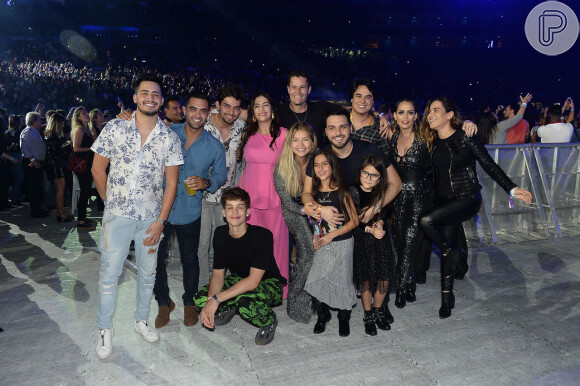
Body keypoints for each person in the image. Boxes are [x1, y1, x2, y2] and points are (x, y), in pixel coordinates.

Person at [91, 73, 183, 360]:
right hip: (116, 217)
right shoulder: (115, 128)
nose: (150, 98)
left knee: (148, 274)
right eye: (145, 93)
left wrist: (161, 221)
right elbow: (97, 169)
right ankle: (105, 330)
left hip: (150, 220)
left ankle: (141, 320)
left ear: (162, 101)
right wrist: (109, 203)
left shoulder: (169, 138)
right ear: (135, 97)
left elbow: (171, 184)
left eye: (156, 94)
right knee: (109, 275)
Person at [419, 96, 533, 319]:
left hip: (467, 198)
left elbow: (489, 165)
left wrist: (512, 189)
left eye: (435, 110)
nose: (429, 115)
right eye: (428, 111)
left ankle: (450, 253)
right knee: (448, 246)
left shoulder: (466, 137)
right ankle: (446, 297)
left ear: (450, 114)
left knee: (427, 221)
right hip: (444, 202)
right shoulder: (430, 141)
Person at [153, 92, 226, 329]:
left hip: (190, 211)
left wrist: (206, 183)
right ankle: (163, 303)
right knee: (154, 259)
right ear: (184, 110)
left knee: (190, 259)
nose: (197, 115)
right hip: (160, 211)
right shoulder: (166, 133)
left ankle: (189, 303)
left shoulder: (213, 145)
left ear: (208, 114)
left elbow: (221, 175)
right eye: (193, 109)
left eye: (203, 111)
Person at [195, 187, 285, 346]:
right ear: (223, 212)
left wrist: (218, 299)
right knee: (200, 300)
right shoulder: (220, 234)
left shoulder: (263, 236)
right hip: (240, 280)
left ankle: (269, 321)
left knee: (246, 304)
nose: (235, 212)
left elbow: (253, 282)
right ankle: (231, 305)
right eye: (230, 207)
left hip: (268, 283)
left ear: (248, 212)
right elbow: (218, 274)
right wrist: (210, 300)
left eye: (240, 207)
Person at [238, 91, 289, 297]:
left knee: (277, 247)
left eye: (265, 105)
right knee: (253, 248)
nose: (261, 109)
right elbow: (245, 167)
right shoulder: (247, 135)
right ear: (252, 112)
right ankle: (255, 287)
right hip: (250, 201)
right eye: (257, 105)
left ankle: (280, 290)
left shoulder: (285, 134)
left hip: (275, 201)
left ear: (273, 110)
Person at [304, 149, 359, 337]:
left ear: (332, 166)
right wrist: (316, 234)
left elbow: (354, 221)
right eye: (316, 165)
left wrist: (332, 236)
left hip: (342, 243)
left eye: (324, 164)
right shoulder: (314, 193)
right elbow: (316, 219)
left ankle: (344, 318)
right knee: (316, 279)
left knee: (342, 281)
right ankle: (323, 315)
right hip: (323, 242)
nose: (320, 168)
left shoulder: (342, 190)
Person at [198, 84, 245, 286]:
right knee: (201, 245)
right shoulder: (202, 124)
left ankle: (223, 286)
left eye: (236, 108)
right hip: (201, 197)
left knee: (224, 244)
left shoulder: (241, 127)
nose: (231, 112)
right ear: (217, 105)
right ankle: (201, 287)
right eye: (227, 106)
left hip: (227, 198)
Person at [273, 122, 317, 323]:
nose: (301, 144)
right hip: (294, 212)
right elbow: (286, 200)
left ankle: (313, 298)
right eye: (296, 139)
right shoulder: (281, 166)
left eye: (305, 139)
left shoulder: (318, 161)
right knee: (309, 252)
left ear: (312, 141)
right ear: (290, 143)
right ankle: (295, 300)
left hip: (314, 211)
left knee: (315, 254)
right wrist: (303, 210)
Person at [351, 156, 395, 335]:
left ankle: (378, 310)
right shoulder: (352, 192)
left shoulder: (383, 192)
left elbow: (387, 210)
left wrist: (382, 223)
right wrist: (370, 229)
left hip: (381, 240)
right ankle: (368, 315)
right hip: (362, 240)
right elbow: (353, 219)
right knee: (366, 280)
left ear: (380, 179)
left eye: (374, 176)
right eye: (365, 173)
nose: (368, 178)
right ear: (360, 172)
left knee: (383, 278)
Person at [277, 70, 336, 148]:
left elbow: (346, 110)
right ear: (288, 89)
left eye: (302, 87)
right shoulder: (278, 112)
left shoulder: (321, 108)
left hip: (316, 158)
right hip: (287, 159)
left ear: (309, 89)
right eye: (294, 87)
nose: (298, 91)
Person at [349, 79, 389, 158]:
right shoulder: (339, 118)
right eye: (358, 96)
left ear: (373, 102)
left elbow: (385, 161)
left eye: (368, 97)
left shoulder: (380, 128)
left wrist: (371, 150)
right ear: (351, 99)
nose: (362, 101)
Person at [44, 113, 74, 222]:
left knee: (59, 189)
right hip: (55, 164)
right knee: (60, 188)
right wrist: (68, 145)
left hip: (54, 164)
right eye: (62, 123)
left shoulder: (51, 135)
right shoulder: (52, 136)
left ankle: (60, 211)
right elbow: (56, 152)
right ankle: (61, 212)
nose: (63, 125)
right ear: (57, 123)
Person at [71, 106, 96, 229]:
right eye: (83, 113)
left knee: (86, 192)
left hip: (88, 164)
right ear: (78, 117)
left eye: (86, 112)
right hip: (82, 166)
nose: (86, 114)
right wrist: (90, 149)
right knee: (84, 191)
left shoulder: (88, 130)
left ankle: (83, 217)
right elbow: (76, 148)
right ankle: (81, 220)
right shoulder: (79, 130)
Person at [20, 112, 48, 218]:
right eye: (39, 120)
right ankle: (35, 211)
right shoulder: (27, 131)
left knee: (37, 187)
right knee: (33, 187)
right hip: (31, 162)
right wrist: (33, 160)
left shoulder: (34, 131)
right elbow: (24, 147)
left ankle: (38, 209)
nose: (41, 122)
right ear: (34, 121)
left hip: (36, 161)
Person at [5, 116, 24, 207]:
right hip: (16, 156)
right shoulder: (17, 133)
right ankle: (15, 199)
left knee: (14, 178)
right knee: (18, 178)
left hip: (8, 156)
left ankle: (17, 197)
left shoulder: (6, 132)